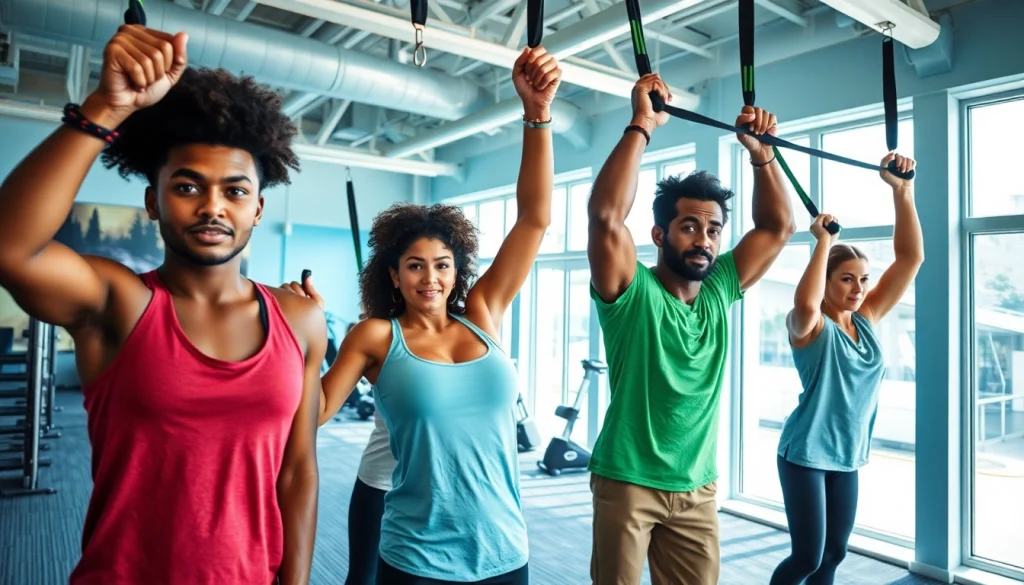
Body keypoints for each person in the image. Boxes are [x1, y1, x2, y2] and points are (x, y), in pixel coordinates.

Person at [0, 25, 324, 585]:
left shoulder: (300, 319)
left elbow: (297, 470)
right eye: (188, 186)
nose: (212, 207)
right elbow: (10, 248)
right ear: (153, 201)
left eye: (235, 191)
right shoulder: (116, 303)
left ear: (258, 209)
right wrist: (107, 106)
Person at [287, 46, 561, 585]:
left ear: (457, 271)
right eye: (414, 266)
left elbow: (535, 218)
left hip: (506, 550)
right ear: (394, 275)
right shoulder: (377, 336)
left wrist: (537, 114)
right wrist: (309, 338)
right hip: (418, 558)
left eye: (441, 265)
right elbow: (313, 413)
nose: (429, 278)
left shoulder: (484, 311)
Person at [586, 72, 798, 585]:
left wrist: (762, 154)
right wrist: (642, 124)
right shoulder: (630, 289)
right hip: (628, 480)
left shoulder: (722, 286)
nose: (704, 239)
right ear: (659, 233)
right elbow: (605, 215)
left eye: (713, 229)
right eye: (689, 226)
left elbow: (777, 228)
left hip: (698, 486)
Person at [770, 154, 922, 585]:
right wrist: (821, 243)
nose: (858, 289)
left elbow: (910, 258)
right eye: (847, 279)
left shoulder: (867, 321)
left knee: (834, 554)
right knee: (807, 558)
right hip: (804, 454)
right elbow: (804, 302)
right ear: (828, 281)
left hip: (847, 456)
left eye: (864, 279)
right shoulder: (809, 326)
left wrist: (902, 192)